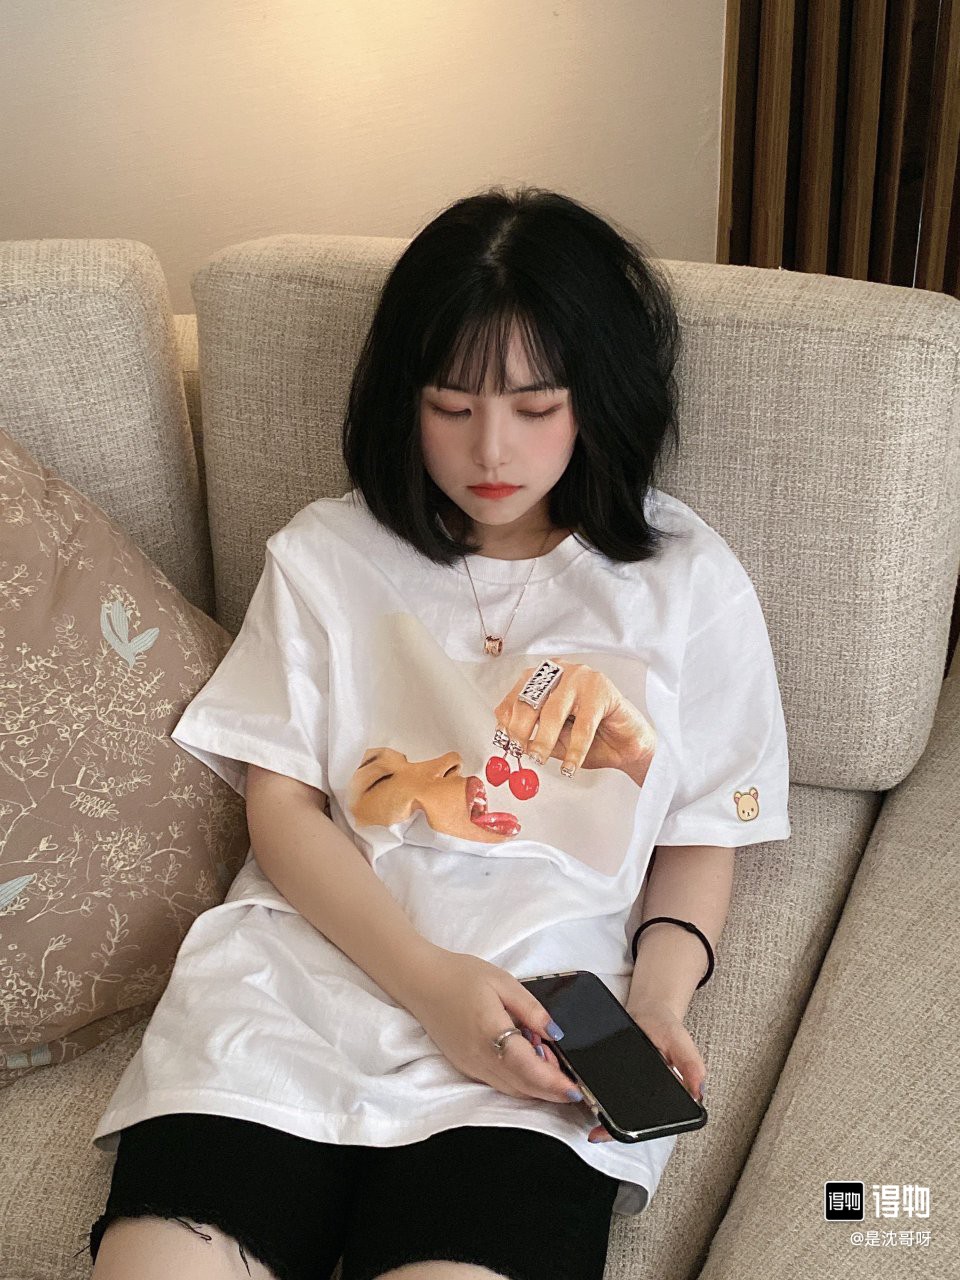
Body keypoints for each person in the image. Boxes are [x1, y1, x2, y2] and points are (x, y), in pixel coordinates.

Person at [85, 185, 791, 1280]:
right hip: (291, 991)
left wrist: (653, 1004)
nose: (490, 448)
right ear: (403, 400)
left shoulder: (687, 583)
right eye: (451, 406)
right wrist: (427, 979)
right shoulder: (327, 554)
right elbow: (282, 804)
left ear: (598, 398)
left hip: (541, 1028)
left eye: (536, 405)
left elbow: (702, 832)